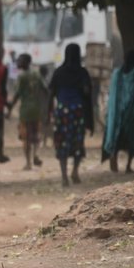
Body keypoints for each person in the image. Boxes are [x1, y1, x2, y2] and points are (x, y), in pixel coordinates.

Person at [46, 42, 94, 187]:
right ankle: (74, 171)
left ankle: (64, 176)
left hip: (62, 112)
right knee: (78, 142)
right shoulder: (82, 72)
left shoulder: (58, 72)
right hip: (77, 112)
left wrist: (48, 114)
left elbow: (51, 94)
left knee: (62, 143)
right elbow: (87, 93)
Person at [8, 53, 47, 170]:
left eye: (20, 61)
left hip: (25, 111)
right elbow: (45, 90)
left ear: (25, 62)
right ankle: (35, 155)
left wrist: (9, 109)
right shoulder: (37, 74)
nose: (18, 63)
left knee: (26, 137)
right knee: (36, 135)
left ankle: (28, 162)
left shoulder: (21, 76)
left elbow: (17, 94)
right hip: (37, 110)